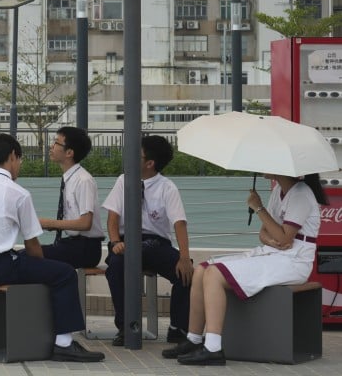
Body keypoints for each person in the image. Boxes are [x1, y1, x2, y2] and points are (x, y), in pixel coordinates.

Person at [0, 134, 105, 362]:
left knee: (21, 260)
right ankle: (63, 343)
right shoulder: (19, 194)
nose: (21, 165)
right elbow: (33, 246)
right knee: (63, 274)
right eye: (20, 159)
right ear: (12, 157)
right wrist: (42, 267)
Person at [166, 173, 328, 366]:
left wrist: (258, 208)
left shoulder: (301, 193)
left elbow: (285, 238)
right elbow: (266, 233)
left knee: (213, 274)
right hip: (274, 253)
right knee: (202, 269)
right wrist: (272, 240)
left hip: (294, 262)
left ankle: (213, 348)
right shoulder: (279, 190)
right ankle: (193, 339)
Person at [103, 135, 192, 346]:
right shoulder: (123, 180)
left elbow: (179, 222)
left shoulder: (167, 187)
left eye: (137, 154)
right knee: (115, 266)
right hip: (125, 242)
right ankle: (126, 326)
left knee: (187, 275)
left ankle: (177, 328)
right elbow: (113, 217)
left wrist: (185, 257)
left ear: (150, 163)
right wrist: (115, 242)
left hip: (155, 243)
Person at [38, 126, 105, 269]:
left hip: (86, 249)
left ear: (69, 152)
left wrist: (50, 223)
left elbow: (85, 223)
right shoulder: (70, 178)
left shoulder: (83, 180)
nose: (51, 146)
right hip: (72, 243)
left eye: (56, 143)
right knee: (29, 253)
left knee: (31, 255)